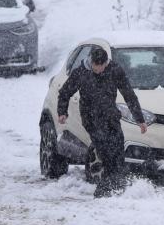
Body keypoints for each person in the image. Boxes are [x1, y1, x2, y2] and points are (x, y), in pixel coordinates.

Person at [57, 46, 147, 198]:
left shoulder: (115, 70)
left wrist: (140, 119)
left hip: (110, 116)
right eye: (95, 66)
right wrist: (62, 112)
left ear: (106, 63)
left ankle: (118, 185)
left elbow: (129, 95)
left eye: (102, 66)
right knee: (105, 150)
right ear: (91, 62)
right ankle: (106, 187)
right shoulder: (81, 72)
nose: (98, 69)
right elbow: (64, 93)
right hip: (91, 118)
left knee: (118, 149)